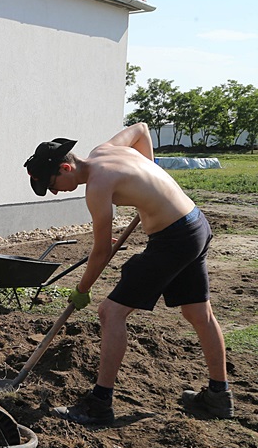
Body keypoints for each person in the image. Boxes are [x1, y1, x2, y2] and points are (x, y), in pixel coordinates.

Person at [23, 123, 232, 425]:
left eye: (52, 184)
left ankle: (99, 404)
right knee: (199, 313)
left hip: (174, 239)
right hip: (195, 223)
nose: (54, 191)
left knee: (110, 312)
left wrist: (82, 289)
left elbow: (100, 253)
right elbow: (141, 130)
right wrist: (150, 178)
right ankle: (218, 396)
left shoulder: (97, 187)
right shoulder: (104, 151)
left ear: (66, 167)